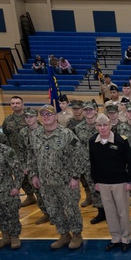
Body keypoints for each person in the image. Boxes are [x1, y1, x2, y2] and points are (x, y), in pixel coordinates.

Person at [30, 105, 87, 250]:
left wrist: (75, 176)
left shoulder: (67, 134)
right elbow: (31, 156)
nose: (46, 116)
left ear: (55, 116)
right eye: (42, 114)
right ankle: (63, 235)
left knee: (71, 209)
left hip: (66, 182)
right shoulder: (35, 135)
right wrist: (33, 174)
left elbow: (80, 155)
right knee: (53, 210)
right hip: (46, 182)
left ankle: (76, 235)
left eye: (49, 114)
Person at [89, 113, 131, 252]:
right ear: (96, 126)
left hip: (120, 182)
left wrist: (130, 180)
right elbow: (93, 163)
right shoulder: (93, 141)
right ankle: (115, 238)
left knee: (123, 212)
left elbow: (130, 161)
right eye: (99, 125)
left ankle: (126, 239)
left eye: (105, 125)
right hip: (102, 183)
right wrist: (95, 181)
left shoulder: (120, 140)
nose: (103, 128)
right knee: (110, 212)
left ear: (110, 125)